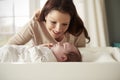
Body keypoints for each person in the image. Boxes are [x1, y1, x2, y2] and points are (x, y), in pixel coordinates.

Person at [7, 0, 90, 47]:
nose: (58, 29)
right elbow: (8, 48)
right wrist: (38, 49)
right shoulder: (35, 24)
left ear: (71, 21)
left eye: (65, 24)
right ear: (45, 16)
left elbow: (82, 57)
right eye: (53, 22)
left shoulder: (77, 28)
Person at [0, 42, 82, 62]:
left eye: (62, 45)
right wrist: (42, 46)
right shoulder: (50, 52)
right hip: (14, 51)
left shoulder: (50, 60)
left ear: (63, 57)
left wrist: (34, 47)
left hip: (11, 56)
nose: (60, 43)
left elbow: (37, 61)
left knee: (6, 51)